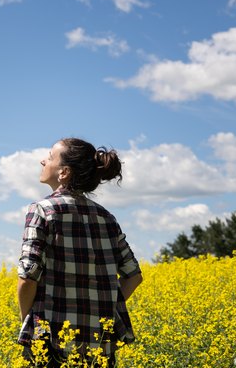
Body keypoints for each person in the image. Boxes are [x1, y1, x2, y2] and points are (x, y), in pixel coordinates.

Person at [17, 138, 143, 367]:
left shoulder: (42, 211)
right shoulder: (106, 218)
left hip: (51, 344)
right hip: (99, 347)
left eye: (50, 157)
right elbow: (133, 275)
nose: (42, 160)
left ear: (64, 172)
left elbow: (28, 275)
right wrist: (104, 311)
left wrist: (27, 320)